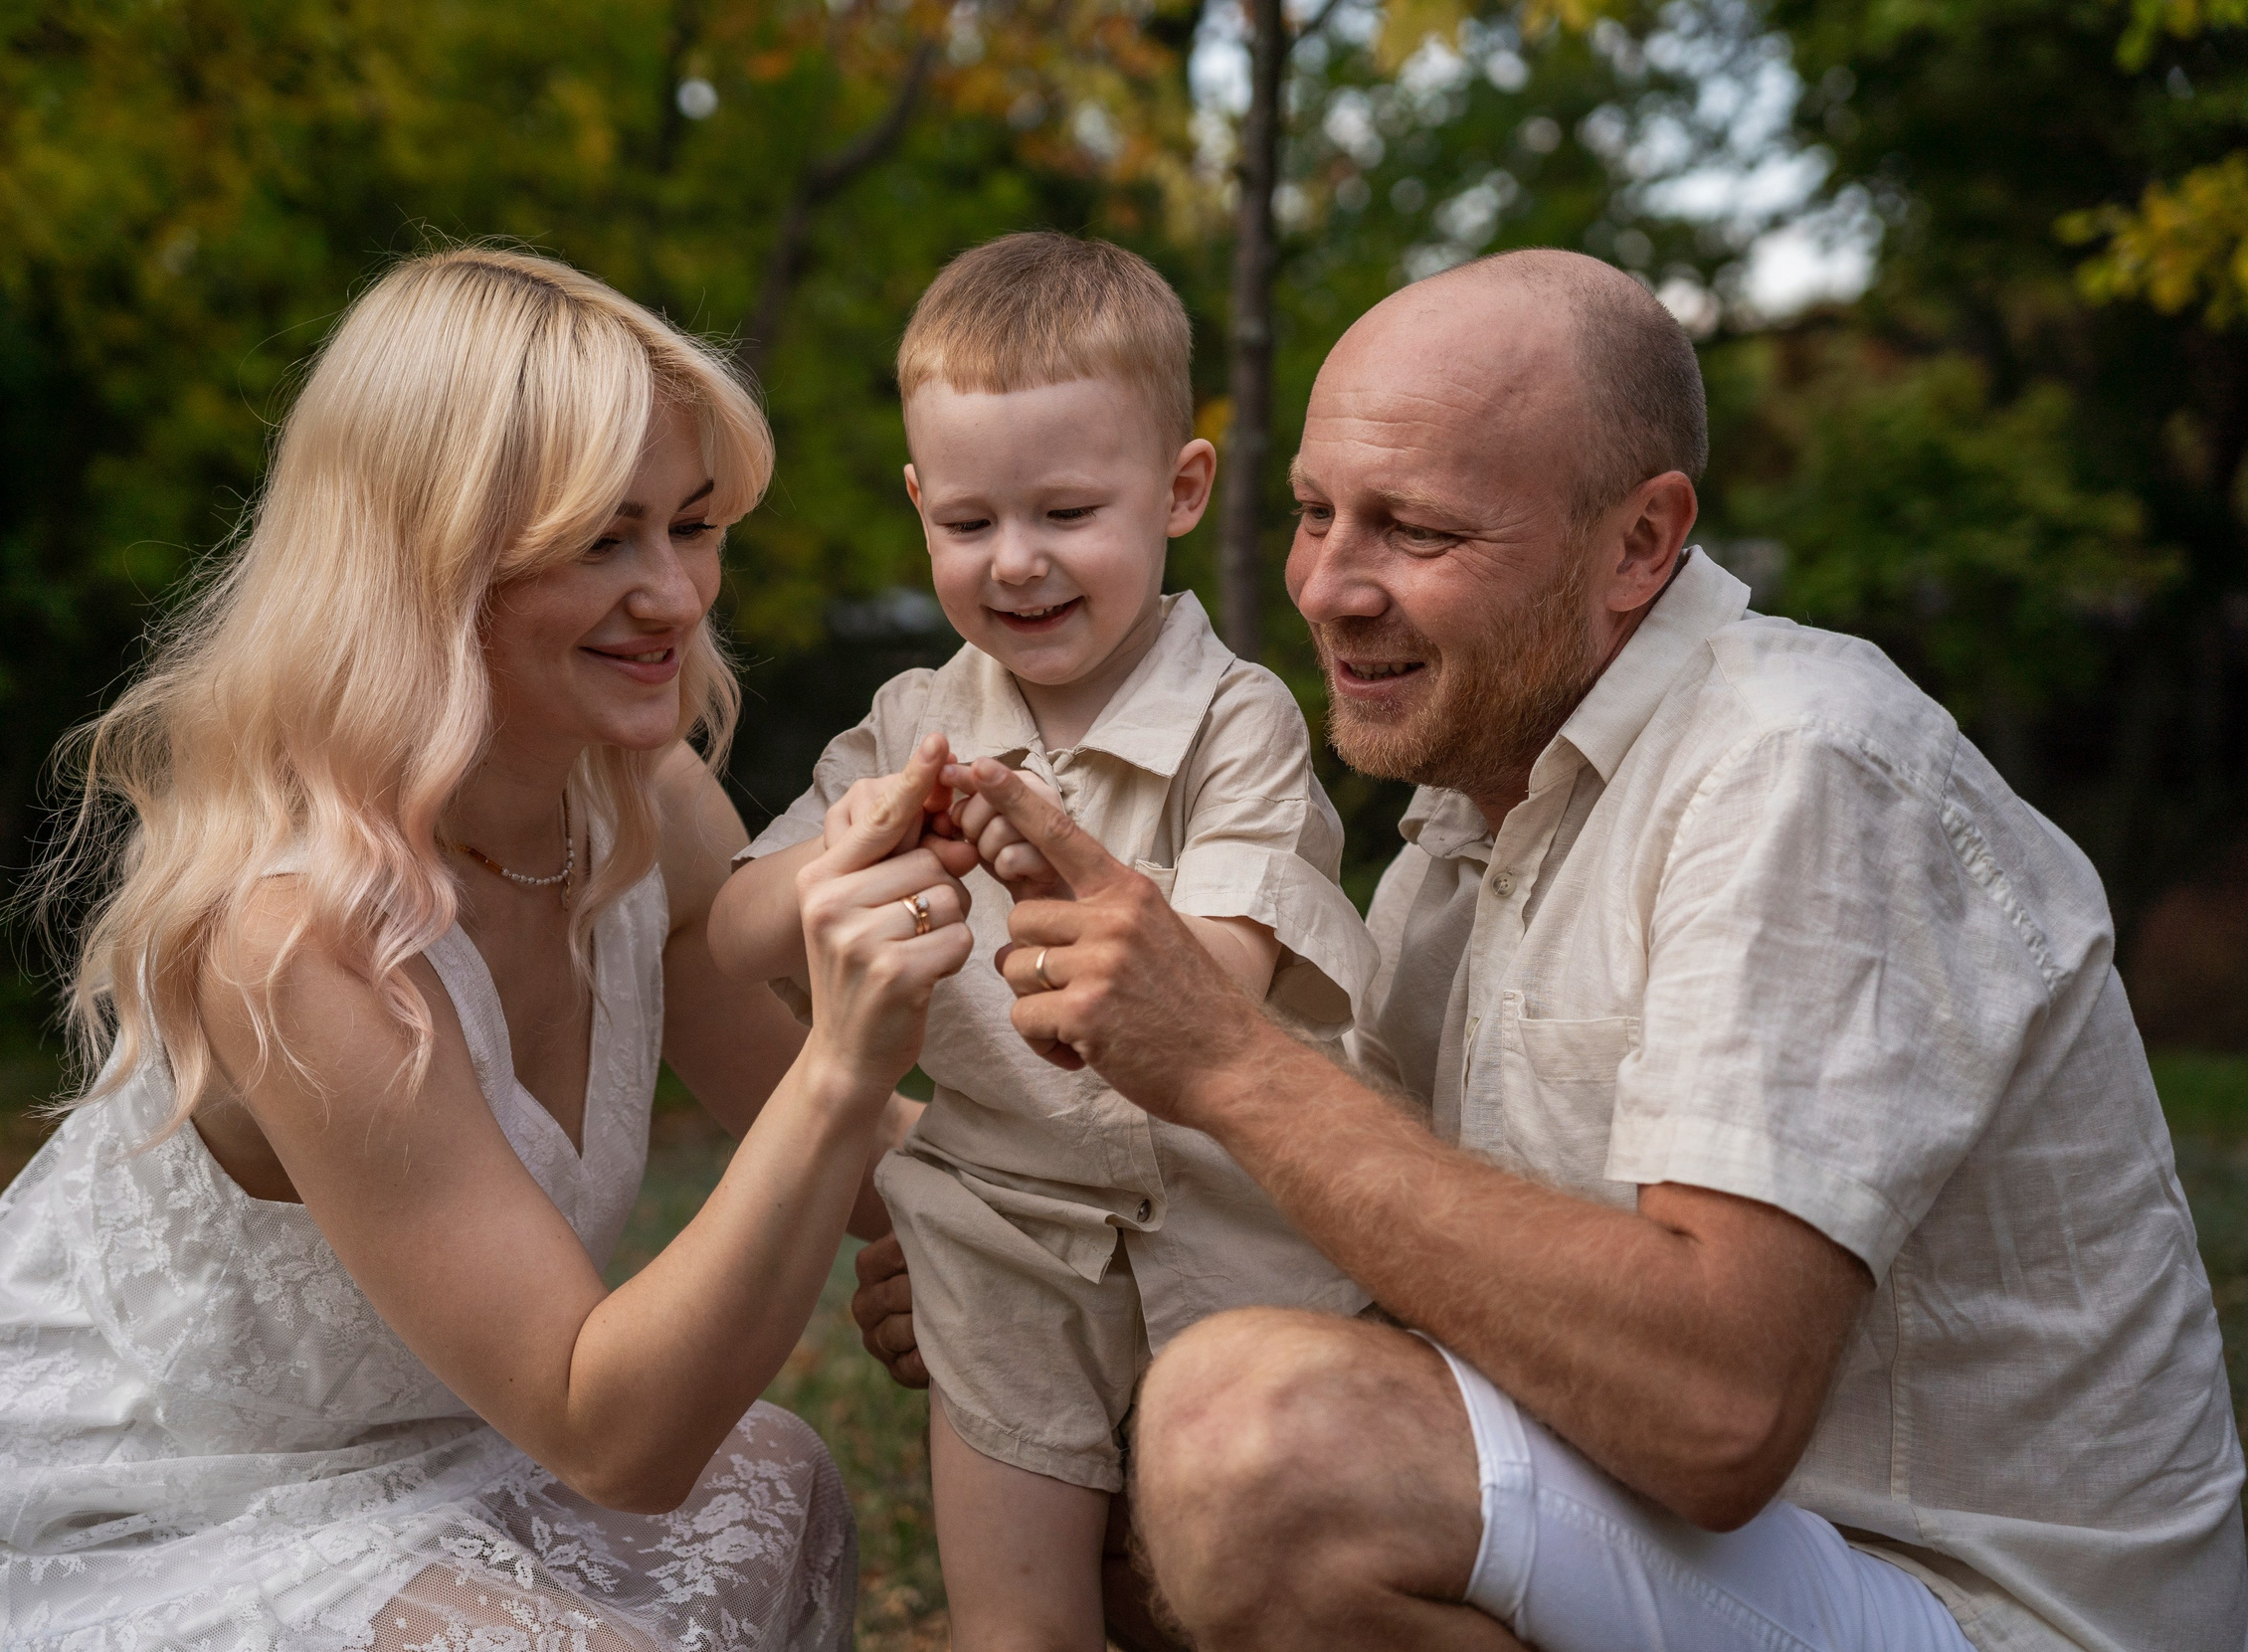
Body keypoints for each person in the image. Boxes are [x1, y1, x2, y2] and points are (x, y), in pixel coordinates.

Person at [858, 248, 2248, 1650]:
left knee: (1254, 1435)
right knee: (1114, 1463)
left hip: (1974, 1612)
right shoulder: (1460, 845)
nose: (1329, 587)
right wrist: (1029, 1279)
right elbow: (1402, 1265)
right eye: (1316, 514)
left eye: (1417, 531)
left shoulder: (1796, 764)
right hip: (1705, 1566)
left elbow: (1718, 1414)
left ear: (1639, 543)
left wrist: (1224, 1061)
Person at [0, 248, 986, 1652]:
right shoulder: (297, 937)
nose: (679, 596)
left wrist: (1065, 1241)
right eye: (603, 542)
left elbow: (868, 1170)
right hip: (78, 1539)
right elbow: (612, 1432)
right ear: (429, 563)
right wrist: (845, 1069)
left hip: (400, 1476)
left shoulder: (637, 804)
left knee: (779, 1479)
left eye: (692, 526)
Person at [708, 233, 1377, 1651]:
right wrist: (857, 846)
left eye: (1069, 510)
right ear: (918, 507)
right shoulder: (909, 727)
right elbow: (733, 926)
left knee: (1228, 1601)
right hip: (1001, 1240)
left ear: (1180, 489)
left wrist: (1064, 893)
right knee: (1019, 1623)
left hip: (1229, 1235)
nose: (1016, 563)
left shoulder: (1234, 718)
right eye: (967, 522)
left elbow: (1220, 984)